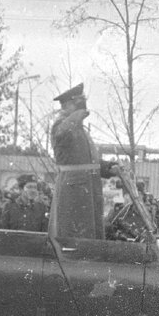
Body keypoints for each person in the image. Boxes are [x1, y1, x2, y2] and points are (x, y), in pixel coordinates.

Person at [49, 84, 119, 239]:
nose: (83, 106)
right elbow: (62, 134)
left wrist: (108, 167)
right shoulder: (60, 125)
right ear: (67, 105)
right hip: (73, 190)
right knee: (74, 234)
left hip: (87, 188)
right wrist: (77, 115)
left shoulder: (80, 130)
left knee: (89, 234)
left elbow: (89, 161)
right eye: (78, 102)